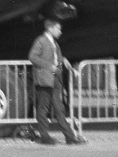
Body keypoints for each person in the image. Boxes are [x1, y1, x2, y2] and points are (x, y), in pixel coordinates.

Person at [27, 18, 85, 146]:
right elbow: (32, 56)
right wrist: (49, 66)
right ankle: (45, 137)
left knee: (59, 109)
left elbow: (56, 57)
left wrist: (65, 62)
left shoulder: (54, 43)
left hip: (54, 80)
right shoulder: (41, 41)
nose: (60, 31)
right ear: (50, 28)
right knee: (43, 109)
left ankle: (70, 137)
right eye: (58, 28)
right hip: (44, 80)